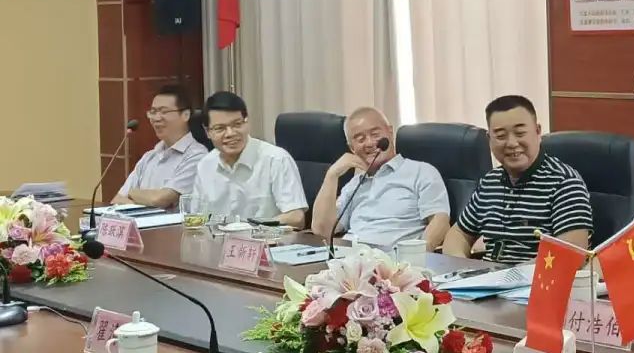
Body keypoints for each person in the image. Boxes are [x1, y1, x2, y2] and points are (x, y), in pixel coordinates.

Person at [442, 95, 593, 264]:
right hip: (486, 277)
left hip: (534, 279)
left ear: (538, 132)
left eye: (520, 133)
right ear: (489, 139)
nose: (512, 143)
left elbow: (570, 256)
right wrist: (463, 266)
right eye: (501, 136)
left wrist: (509, 275)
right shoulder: (490, 181)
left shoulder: (564, 183)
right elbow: (458, 234)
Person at [310, 106, 451, 251]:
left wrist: (417, 254)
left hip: (393, 258)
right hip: (350, 256)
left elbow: (440, 221)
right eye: (360, 139)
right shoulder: (355, 184)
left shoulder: (421, 172)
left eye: (375, 134)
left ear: (390, 132)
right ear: (352, 148)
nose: (370, 143)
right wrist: (331, 176)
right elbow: (322, 230)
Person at [192, 91, 307, 228]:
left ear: (247, 122)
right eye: (220, 128)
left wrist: (251, 228)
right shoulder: (205, 165)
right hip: (217, 239)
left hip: (266, 239)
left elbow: (296, 217)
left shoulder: (276, 159)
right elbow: (197, 217)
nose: (230, 133)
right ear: (207, 132)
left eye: (237, 124)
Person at [111, 84, 206, 209]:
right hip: (140, 222)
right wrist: (144, 199)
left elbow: (160, 199)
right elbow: (117, 200)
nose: (156, 118)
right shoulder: (149, 157)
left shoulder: (197, 156)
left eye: (164, 112)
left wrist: (132, 192)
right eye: (153, 112)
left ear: (186, 115)